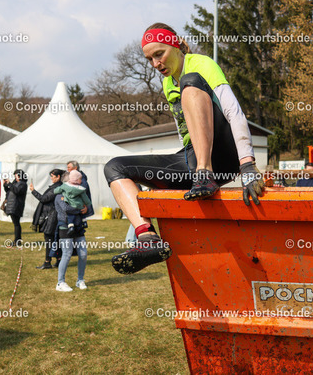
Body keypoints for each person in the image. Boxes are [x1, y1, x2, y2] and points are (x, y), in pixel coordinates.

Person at [103, 23, 265, 275]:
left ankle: (204, 173)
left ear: (177, 45)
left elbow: (234, 113)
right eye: (149, 59)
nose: (155, 64)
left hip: (224, 153)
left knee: (191, 81)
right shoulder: (168, 83)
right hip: (193, 156)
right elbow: (184, 129)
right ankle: (148, 239)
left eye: (159, 54)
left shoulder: (200, 64)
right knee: (115, 167)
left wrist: (248, 165)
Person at [54, 188, 91, 292]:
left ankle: (80, 280)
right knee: (67, 254)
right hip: (65, 228)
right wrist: (80, 208)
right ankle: (60, 282)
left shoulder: (78, 194)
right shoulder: (59, 196)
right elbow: (66, 208)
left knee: (83, 254)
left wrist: (86, 208)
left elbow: (87, 205)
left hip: (78, 227)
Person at [30, 168, 65, 269]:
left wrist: (33, 191)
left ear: (58, 177)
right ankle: (58, 260)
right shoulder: (57, 186)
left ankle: (47, 262)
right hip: (53, 216)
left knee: (49, 239)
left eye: (52, 176)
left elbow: (44, 199)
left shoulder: (57, 188)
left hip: (52, 216)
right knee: (55, 239)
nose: (51, 178)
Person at [53, 170, 91, 236]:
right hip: (65, 226)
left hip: (77, 225)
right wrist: (82, 208)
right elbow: (66, 208)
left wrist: (85, 208)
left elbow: (56, 191)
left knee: (71, 217)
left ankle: (72, 226)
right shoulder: (79, 190)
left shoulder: (64, 190)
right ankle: (84, 222)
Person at [3, 169, 28, 246]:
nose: (15, 177)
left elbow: (17, 191)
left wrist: (10, 184)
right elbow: (8, 191)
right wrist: (5, 185)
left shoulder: (23, 184)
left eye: (16, 175)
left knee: (16, 224)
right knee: (16, 223)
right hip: (12, 205)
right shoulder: (15, 183)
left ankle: (17, 240)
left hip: (17, 205)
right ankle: (17, 240)